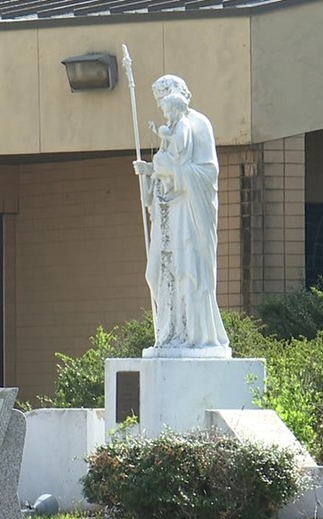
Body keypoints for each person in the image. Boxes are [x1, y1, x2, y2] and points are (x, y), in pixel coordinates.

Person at [132, 75, 230, 355]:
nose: (163, 106)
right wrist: (149, 173)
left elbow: (207, 173)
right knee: (156, 275)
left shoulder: (198, 125)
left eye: (166, 98)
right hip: (167, 213)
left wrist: (162, 168)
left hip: (189, 216)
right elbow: (166, 168)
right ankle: (169, 332)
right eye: (159, 101)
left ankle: (195, 336)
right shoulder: (172, 127)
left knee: (189, 273)